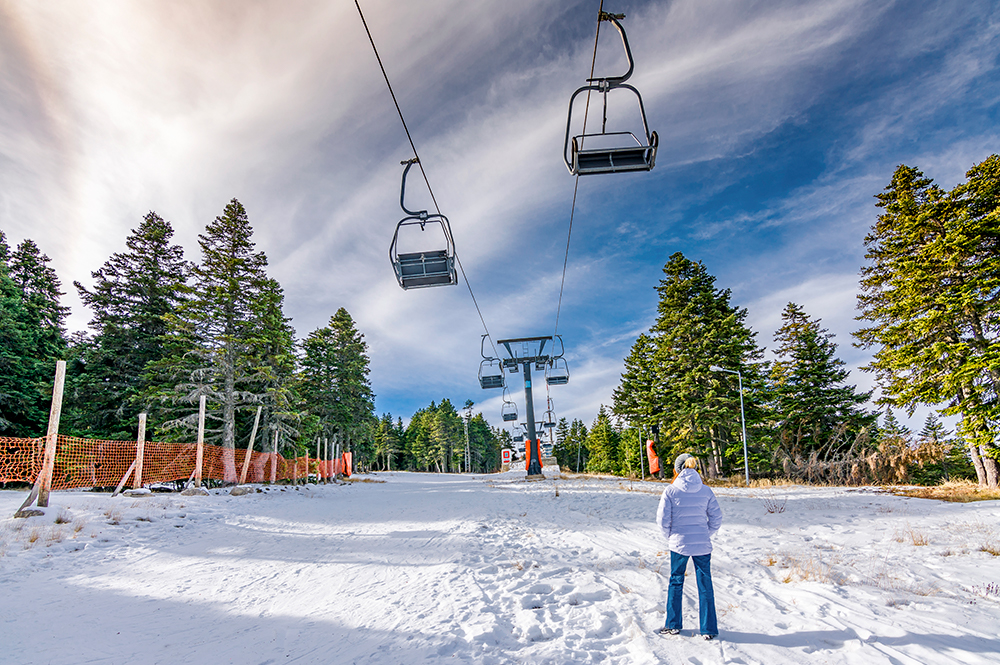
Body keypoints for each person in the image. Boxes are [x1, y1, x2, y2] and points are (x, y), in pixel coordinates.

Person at [655, 453, 723, 639]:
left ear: (677, 469)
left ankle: (673, 624)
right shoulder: (706, 490)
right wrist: (704, 533)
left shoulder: (670, 491)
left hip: (679, 544)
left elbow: (662, 520)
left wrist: (671, 537)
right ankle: (708, 629)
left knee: (676, 581)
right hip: (702, 545)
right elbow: (717, 518)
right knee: (705, 584)